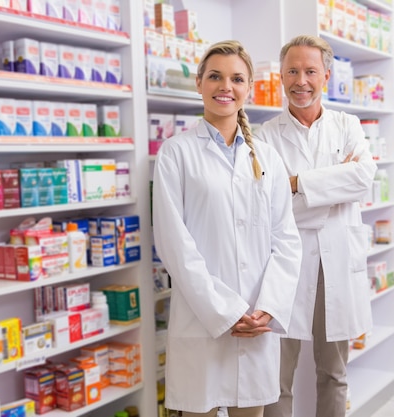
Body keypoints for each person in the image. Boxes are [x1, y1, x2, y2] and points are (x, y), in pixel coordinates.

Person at [152, 40, 302, 417]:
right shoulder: (176, 152)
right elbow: (174, 245)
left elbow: (286, 238)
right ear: (199, 83)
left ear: (248, 88)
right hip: (202, 317)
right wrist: (225, 311)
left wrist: (267, 307)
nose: (226, 87)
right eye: (215, 76)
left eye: (237, 79)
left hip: (256, 319)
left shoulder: (266, 157)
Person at [255, 35, 377, 417]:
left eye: (310, 71)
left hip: (337, 263)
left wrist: (297, 184)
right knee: (276, 376)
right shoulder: (265, 135)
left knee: (334, 373)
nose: (301, 80)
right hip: (285, 266)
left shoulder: (347, 125)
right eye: (292, 71)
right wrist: (333, 184)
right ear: (280, 76)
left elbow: (364, 180)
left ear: (326, 74)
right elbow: (269, 206)